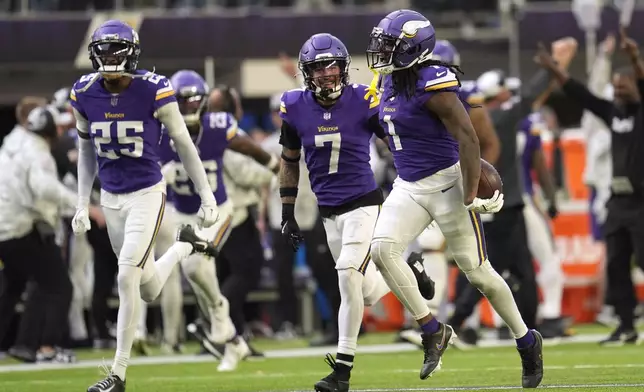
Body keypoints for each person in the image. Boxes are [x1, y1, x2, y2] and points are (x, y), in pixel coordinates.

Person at [366, 9, 543, 388]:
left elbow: (469, 139)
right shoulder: (388, 81)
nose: (381, 52)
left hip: (447, 183)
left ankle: (526, 340)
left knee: (479, 274)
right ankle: (432, 329)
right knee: (382, 250)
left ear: (414, 48)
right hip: (410, 185)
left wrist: (469, 192)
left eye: (390, 46)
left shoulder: (433, 83)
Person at [69, 20, 223, 392]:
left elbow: (184, 143)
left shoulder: (154, 89)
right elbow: (87, 150)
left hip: (146, 194)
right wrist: (80, 202)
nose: (108, 57)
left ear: (132, 53)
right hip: (110, 197)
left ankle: (117, 375)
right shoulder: (83, 92)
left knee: (126, 276)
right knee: (147, 288)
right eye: (102, 50)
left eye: (115, 49)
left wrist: (206, 194)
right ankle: (185, 243)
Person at [279, 32, 436, 392]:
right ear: (307, 73)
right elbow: (288, 161)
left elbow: (394, 140)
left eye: (332, 66)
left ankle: (343, 370)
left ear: (344, 68)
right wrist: (287, 209)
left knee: (347, 273)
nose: (327, 74)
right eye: (318, 69)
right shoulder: (293, 106)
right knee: (364, 292)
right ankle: (409, 265)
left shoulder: (365, 99)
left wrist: (415, 179)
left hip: (364, 203)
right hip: (329, 211)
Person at [160, 71, 279, 371]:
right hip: (184, 214)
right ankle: (230, 336)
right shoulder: (159, 130)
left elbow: (245, 146)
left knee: (195, 263)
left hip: (219, 210)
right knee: (197, 274)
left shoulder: (216, 125)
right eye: (182, 101)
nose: (188, 107)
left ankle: (220, 324)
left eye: (193, 101)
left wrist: (275, 165)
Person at [535, 26, 644, 345]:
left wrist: (634, 58)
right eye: (616, 87)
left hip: (642, 201)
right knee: (616, 264)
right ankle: (626, 324)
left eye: (624, 86)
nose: (619, 91)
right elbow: (580, 94)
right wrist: (553, 68)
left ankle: (627, 322)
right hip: (618, 201)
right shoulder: (613, 113)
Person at [0, 105, 79, 363]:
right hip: (20, 225)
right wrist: (80, 203)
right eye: (57, 126)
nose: (60, 131)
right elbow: (43, 187)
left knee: (13, 286)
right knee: (58, 286)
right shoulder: (38, 152)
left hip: (6, 226)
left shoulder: (14, 141)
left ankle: (22, 344)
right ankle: (46, 347)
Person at [516, 109, 567, 337]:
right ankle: (551, 315)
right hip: (523, 199)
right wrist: (551, 199)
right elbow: (539, 165)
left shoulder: (473, 117)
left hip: (489, 201)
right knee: (549, 257)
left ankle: (499, 322)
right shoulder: (526, 124)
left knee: (496, 264)